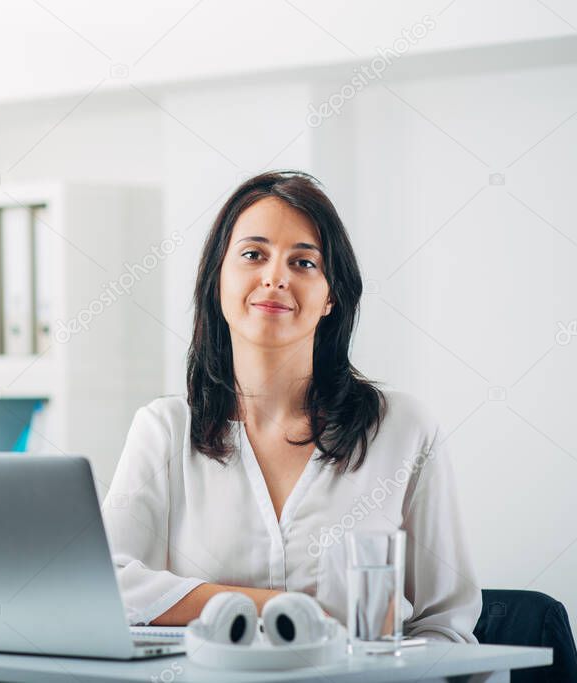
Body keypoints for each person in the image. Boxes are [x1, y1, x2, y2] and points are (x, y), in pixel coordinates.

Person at [101, 170, 481, 643]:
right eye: (253, 255)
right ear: (218, 279)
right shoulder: (164, 429)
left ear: (331, 297)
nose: (275, 277)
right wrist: (279, 608)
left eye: (303, 263)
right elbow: (108, 585)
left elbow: (447, 625)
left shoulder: (403, 429)